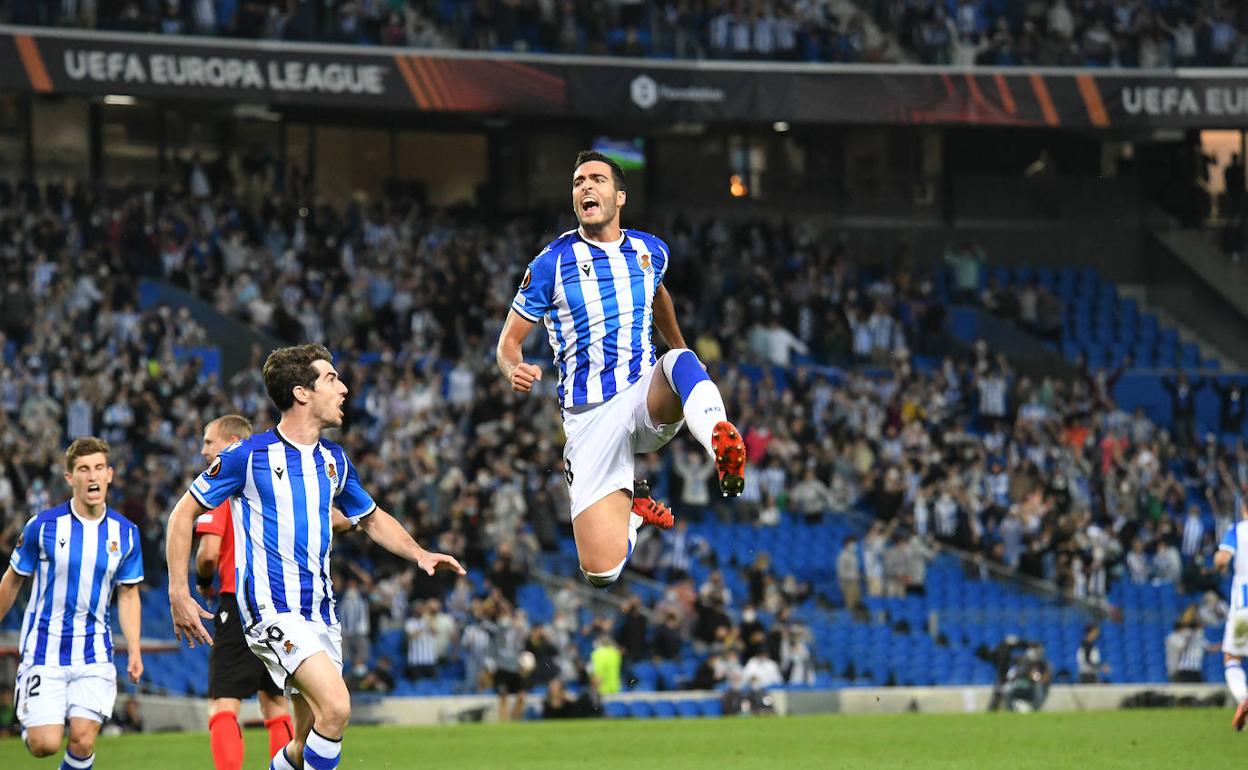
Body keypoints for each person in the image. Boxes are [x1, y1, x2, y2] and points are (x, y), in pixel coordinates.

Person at [166, 344, 465, 770]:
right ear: (302, 393)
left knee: (302, 747)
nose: (343, 389)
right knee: (338, 708)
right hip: (271, 609)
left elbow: (372, 517)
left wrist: (419, 553)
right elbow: (183, 513)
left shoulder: (334, 461)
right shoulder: (248, 456)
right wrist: (179, 590)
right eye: (332, 379)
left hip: (320, 613)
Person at [496, 150, 747, 588]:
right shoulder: (551, 263)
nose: (586, 187)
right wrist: (513, 368)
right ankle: (634, 513)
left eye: (596, 179)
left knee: (681, 363)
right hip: (589, 417)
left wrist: (681, 348)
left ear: (620, 196)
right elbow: (508, 343)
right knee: (601, 573)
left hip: (641, 393)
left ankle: (721, 446)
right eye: (578, 182)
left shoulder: (650, 251)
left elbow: (659, 296)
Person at [0, 437, 144, 769]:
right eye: (83, 469)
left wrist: (134, 649)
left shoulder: (126, 534)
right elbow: (13, 578)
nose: (92, 476)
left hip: (94, 652)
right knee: (45, 744)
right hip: (44, 650)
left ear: (109, 474)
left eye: (98, 468)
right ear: (70, 478)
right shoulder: (43, 526)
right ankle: (33, 726)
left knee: (82, 740)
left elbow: (128, 593)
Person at [193, 415, 295, 770]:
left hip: (237, 600)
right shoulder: (272, 486)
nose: (204, 450)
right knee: (276, 703)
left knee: (224, 702)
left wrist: (203, 579)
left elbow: (207, 553)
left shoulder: (223, 484)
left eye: (209, 442)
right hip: (280, 603)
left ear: (232, 441)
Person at [1215, 498, 1248, 730]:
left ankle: (1242, 698)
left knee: (1232, 657)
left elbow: (1222, 559)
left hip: (1243, 607)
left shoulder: (1237, 530)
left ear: (1244, 509)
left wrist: (1219, 565)